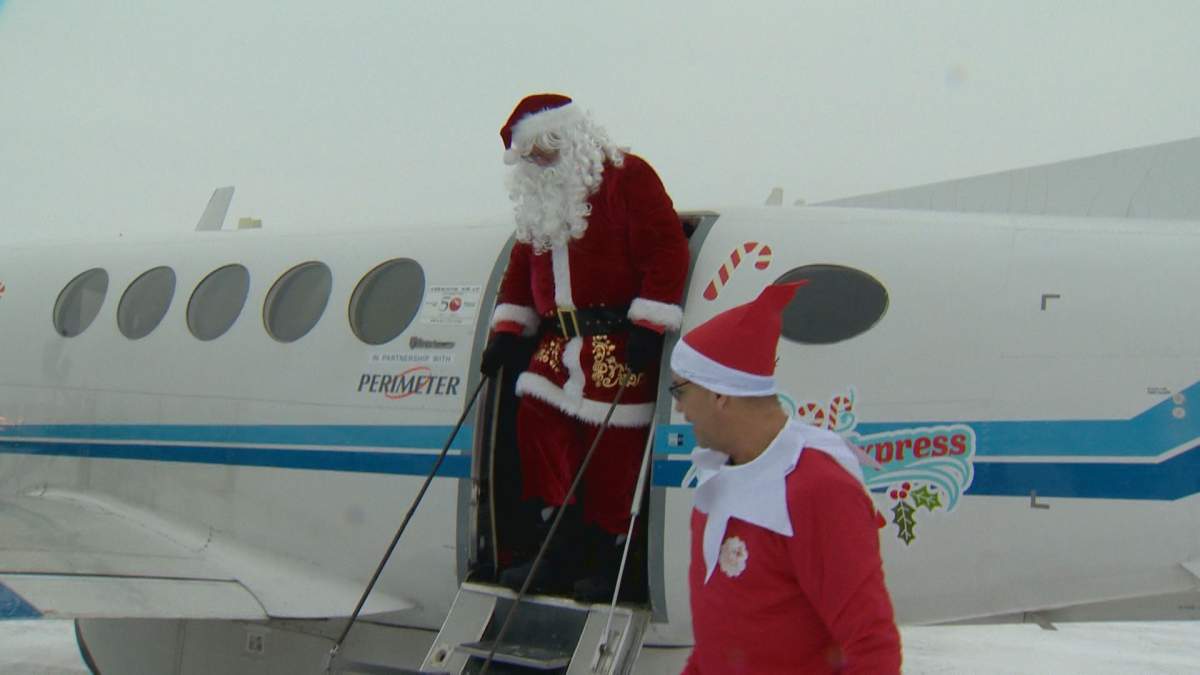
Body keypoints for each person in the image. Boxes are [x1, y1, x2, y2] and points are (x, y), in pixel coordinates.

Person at [480, 93, 690, 600]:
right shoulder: (539, 202)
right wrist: (508, 333)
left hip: (615, 339)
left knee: (612, 454)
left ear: (569, 139)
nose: (537, 162)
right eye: (528, 156)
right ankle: (558, 544)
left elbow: (666, 249)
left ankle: (613, 551)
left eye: (544, 150)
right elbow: (519, 273)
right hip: (557, 344)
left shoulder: (627, 177)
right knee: (539, 428)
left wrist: (649, 322)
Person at [670, 282, 902, 674]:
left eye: (680, 390)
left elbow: (871, 645)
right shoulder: (717, 480)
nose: (678, 407)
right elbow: (717, 645)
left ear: (719, 395)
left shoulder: (817, 489)